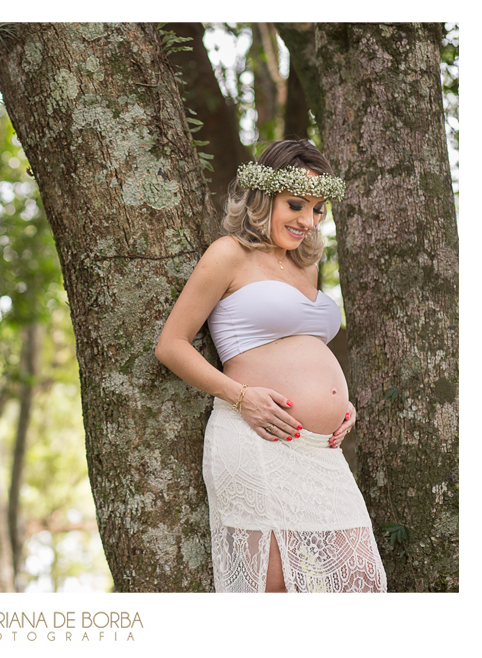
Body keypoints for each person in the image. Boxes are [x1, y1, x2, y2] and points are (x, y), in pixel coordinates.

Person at [155, 140, 386, 593]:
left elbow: (303, 344)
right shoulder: (229, 254)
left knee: (359, 576)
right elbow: (171, 345)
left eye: (318, 209)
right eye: (296, 205)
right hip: (257, 437)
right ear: (263, 198)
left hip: (320, 450)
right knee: (271, 588)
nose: (308, 220)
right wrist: (242, 397)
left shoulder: (306, 265)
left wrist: (342, 405)